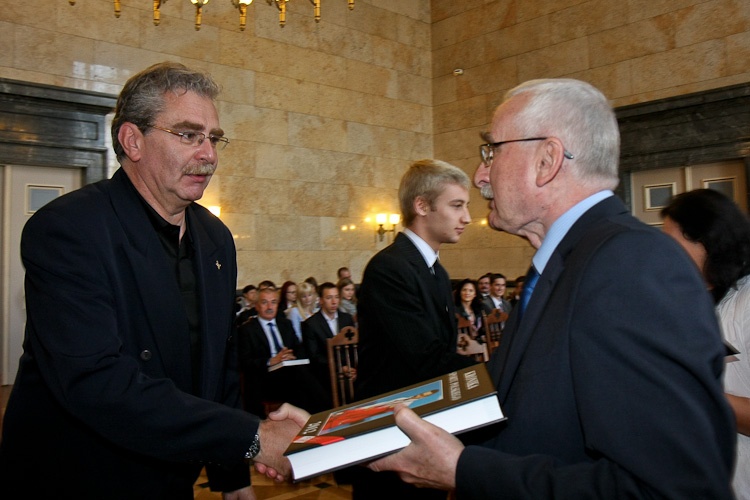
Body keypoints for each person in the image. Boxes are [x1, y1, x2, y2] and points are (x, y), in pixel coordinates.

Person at [367, 78, 735, 498]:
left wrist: (465, 470)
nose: (481, 174)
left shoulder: (630, 263)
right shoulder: (568, 263)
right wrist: (331, 437)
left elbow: (673, 489)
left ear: (547, 160)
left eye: (491, 151)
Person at [0, 62, 305, 499]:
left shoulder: (215, 236)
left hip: (173, 475)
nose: (209, 154)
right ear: (133, 140)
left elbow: (220, 362)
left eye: (213, 138)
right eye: (189, 135)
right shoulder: (69, 228)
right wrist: (254, 438)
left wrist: (231, 476)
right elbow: (97, 382)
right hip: (81, 475)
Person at [354, 159, 476, 499]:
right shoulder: (390, 267)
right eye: (457, 205)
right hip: (390, 432)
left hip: (423, 420)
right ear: (422, 206)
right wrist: (498, 374)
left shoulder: (436, 269)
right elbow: (426, 358)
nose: (467, 217)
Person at [661, 188, 750, 499]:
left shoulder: (746, 302)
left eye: (673, 245)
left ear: (710, 242)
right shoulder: (685, 302)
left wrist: (693, 393)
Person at [237, 287, 328, 417]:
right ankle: (323, 414)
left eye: (273, 302)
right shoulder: (247, 330)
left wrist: (291, 356)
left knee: (310, 372)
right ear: (256, 306)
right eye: (264, 302)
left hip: (289, 373)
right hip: (265, 377)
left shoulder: (285, 324)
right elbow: (245, 362)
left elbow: (299, 349)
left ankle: (317, 415)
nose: (269, 307)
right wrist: (271, 361)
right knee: (303, 378)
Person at [302, 282, 356, 394]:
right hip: (327, 373)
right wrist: (341, 368)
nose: (334, 302)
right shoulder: (311, 324)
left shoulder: (347, 319)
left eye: (336, 297)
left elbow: (354, 347)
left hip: (351, 369)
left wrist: (353, 367)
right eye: (329, 298)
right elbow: (315, 356)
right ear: (321, 300)